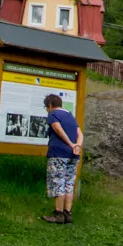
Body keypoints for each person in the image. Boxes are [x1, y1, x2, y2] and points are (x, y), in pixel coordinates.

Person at [41, 92, 83, 225]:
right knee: (69, 183)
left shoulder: (53, 114)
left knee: (58, 181)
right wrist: (77, 146)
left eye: (46, 107)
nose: (47, 110)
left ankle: (58, 214)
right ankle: (67, 213)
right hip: (73, 155)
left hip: (59, 153)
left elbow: (58, 130)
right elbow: (80, 133)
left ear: (50, 105)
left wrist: (70, 144)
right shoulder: (70, 116)